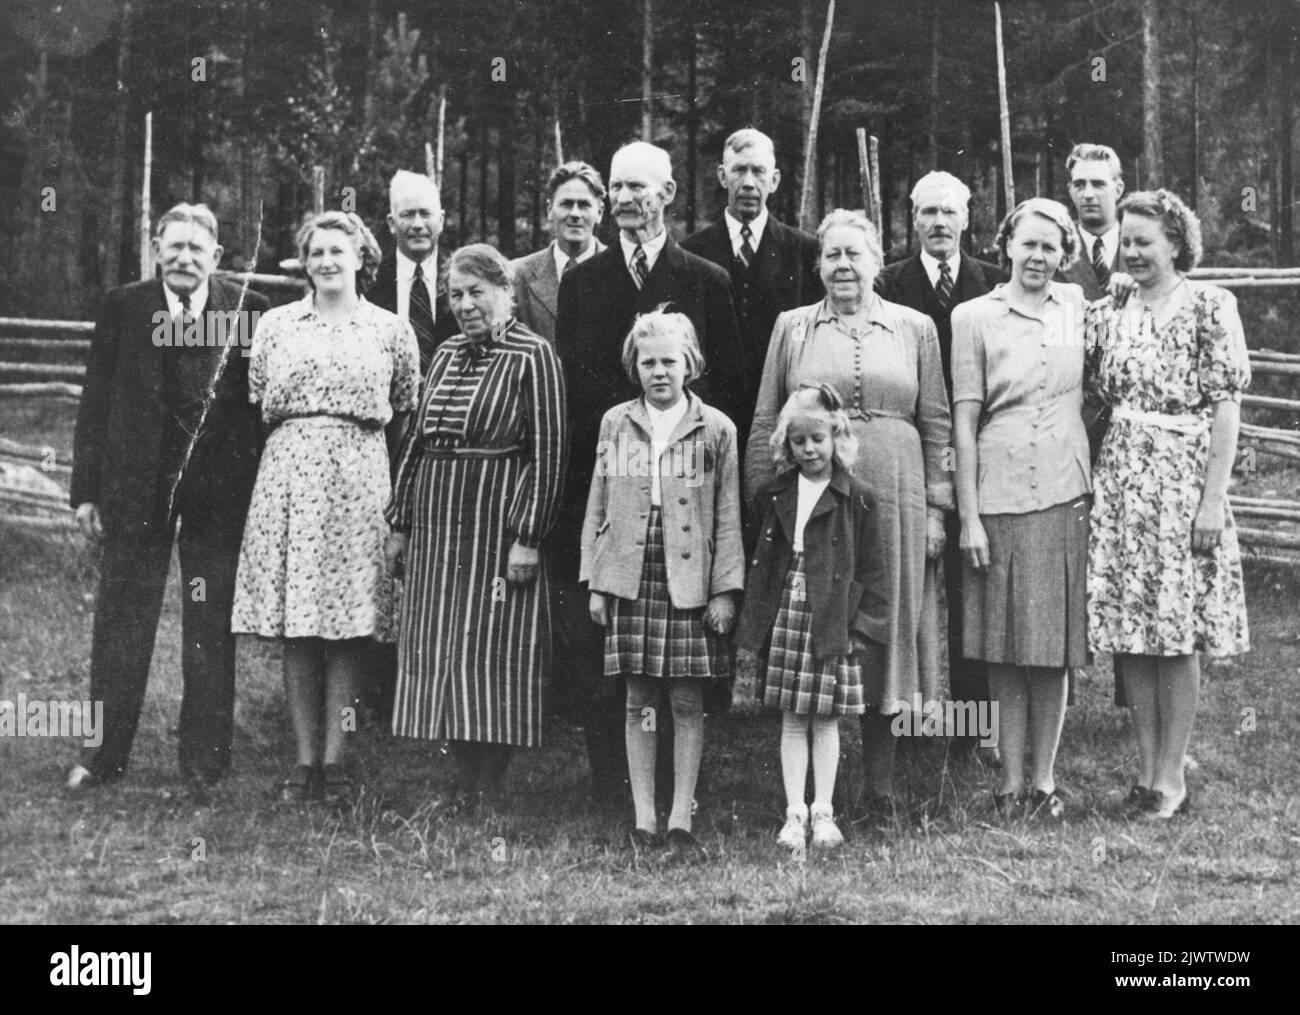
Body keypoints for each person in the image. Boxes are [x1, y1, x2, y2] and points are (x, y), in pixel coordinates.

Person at [555, 140, 746, 808]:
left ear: (669, 193)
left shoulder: (706, 278)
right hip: (610, 479)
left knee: (685, 661)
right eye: (619, 188)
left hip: (688, 490)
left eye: (641, 187)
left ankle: (683, 789)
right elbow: (573, 386)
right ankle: (618, 785)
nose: (628, 199)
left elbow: (728, 387)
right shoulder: (582, 281)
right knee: (614, 651)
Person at [747, 209, 952, 811]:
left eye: (855, 255)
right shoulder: (792, 327)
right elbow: (766, 416)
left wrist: (939, 509)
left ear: (877, 263)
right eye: (832, 255)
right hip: (814, 494)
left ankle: (881, 783)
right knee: (819, 614)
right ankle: (811, 790)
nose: (843, 265)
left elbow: (937, 423)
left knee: (888, 616)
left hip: (896, 487)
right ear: (818, 265)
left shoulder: (915, 328)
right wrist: (767, 495)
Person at [66, 203, 270, 795]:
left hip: (216, 494)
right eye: (173, 246)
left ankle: (205, 761)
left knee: (209, 622)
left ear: (217, 256)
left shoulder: (246, 309)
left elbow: (258, 407)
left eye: (195, 248)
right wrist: (87, 491)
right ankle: (103, 756)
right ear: (156, 248)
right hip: (136, 490)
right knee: (123, 621)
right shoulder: (124, 306)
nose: (184, 257)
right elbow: (96, 400)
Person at [231, 211, 418, 803]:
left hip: (361, 480)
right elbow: (260, 403)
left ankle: (339, 760)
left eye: (339, 251)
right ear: (305, 262)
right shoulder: (277, 326)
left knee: (351, 625)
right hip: (289, 479)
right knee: (299, 624)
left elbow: (404, 411)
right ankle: (303, 759)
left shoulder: (391, 330)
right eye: (316, 253)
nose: (327, 262)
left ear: (362, 257)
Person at [1085, 190, 1250, 820]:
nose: (1132, 253)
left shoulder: (1211, 306)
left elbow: (1227, 407)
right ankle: (1146, 771)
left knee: (1176, 632)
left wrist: (1213, 500)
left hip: (1183, 483)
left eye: (1145, 243)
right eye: (1126, 242)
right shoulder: (1110, 310)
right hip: (1123, 480)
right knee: (1133, 627)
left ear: (1176, 243)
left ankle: (1172, 775)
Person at [385, 244, 567, 806]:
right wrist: (401, 522)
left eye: (476, 293)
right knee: (440, 640)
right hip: (439, 523)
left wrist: (528, 537)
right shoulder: (441, 354)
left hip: (497, 520)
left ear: (506, 293)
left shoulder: (534, 356)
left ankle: (490, 778)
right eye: (456, 295)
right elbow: (416, 443)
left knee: (493, 644)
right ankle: (464, 773)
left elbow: (550, 451)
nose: (465, 305)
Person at [581, 311, 743, 850]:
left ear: (689, 363)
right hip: (631, 569)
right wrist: (597, 580)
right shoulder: (616, 423)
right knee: (638, 700)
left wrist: (724, 589)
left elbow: (727, 515)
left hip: (688, 573)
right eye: (648, 362)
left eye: (669, 361)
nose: (659, 372)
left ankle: (681, 817)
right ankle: (644, 815)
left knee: (687, 701)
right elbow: (599, 502)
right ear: (635, 366)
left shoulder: (716, 428)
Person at [952, 198, 1088, 819]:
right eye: (1028, 244)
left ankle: (1044, 780)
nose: (1038, 257)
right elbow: (964, 418)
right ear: (1007, 245)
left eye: (1051, 248)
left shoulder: (1076, 311)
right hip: (999, 489)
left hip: (1064, 487)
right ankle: (1009, 780)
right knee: (1004, 643)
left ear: (1066, 255)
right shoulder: (974, 317)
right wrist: (970, 516)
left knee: (1053, 643)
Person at [874, 171, 1005, 747]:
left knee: (971, 589)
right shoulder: (887, 284)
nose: (938, 223)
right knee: (912, 591)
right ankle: (910, 718)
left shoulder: (994, 284)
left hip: (982, 454)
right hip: (915, 458)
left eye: (949, 213)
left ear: (967, 219)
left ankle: (973, 726)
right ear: (912, 219)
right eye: (927, 212)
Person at [736, 385, 887, 849]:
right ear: (788, 444)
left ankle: (824, 811)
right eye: (799, 441)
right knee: (791, 718)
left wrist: (862, 627)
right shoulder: (775, 493)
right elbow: (760, 559)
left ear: (837, 437)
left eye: (818, 439)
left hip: (831, 616)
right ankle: (793, 813)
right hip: (787, 613)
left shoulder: (857, 498)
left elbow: (873, 570)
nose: (809, 449)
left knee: (826, 719)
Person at [682, 127, 823, 431]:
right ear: (722, 176)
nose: (748, 182)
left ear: (774, 180)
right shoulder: (691, 253)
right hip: (709, 417)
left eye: (758, 171)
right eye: (738, 170)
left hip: (785, 415)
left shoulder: (805, 251)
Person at [1060, 143, 1127, 463]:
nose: (1088, 194)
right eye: (1079, 184)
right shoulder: (1053, 252)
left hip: (1135, 415)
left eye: (1098, 184)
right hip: (1073, 418)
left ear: (1119, 187)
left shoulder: (1144, 247)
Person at [370, 169, 457, 373]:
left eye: (425, 214)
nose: (418, 224)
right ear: (392, 223)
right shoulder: (369, 283)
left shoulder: (461, 278)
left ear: (441, 221)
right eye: (408, 214)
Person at [510, 161, 608, 342]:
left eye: (584, 205)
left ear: (599, 212)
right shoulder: (516, 275)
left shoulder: (619, 269)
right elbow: (497, 335)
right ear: (549, 210)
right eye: (566, 204)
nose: (575, 214)